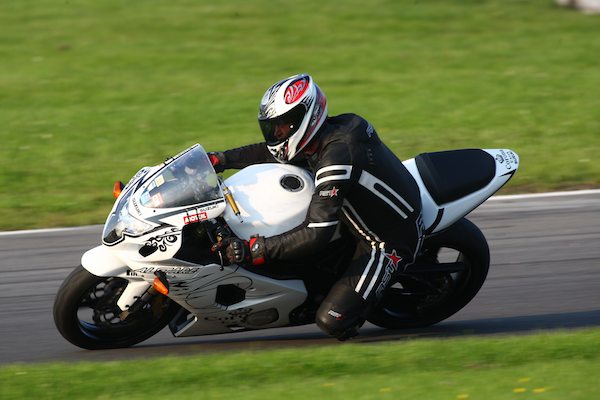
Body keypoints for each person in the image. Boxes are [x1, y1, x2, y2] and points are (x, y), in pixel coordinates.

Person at [210, 73, 424, 340]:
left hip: (386, 240)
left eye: (282, 126)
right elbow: (269, 152)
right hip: (352, 217)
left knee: (331, 321)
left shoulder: (337, 157)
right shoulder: (321, 137)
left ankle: (358, 306)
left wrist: (254, 249)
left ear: (307, 118)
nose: (276, 133)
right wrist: (221, 159)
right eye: (272, 127)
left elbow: (316, 231)